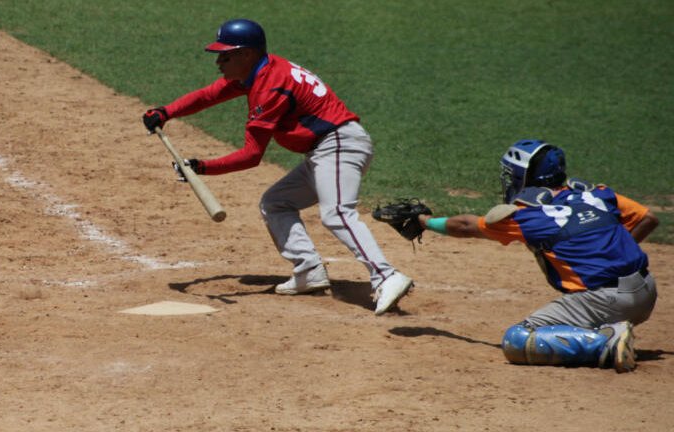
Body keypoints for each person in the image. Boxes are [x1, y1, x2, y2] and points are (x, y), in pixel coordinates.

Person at [142, 18, 413, 315]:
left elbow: (252, 155)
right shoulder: (260, 70)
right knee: (275, 203)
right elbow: (211, 94)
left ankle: (385, 275)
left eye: (225, 56)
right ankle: (308, 269)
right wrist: (165, 112)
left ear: (247, 54)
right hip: (326, 149)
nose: (218, 62)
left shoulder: (271, 87)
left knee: (336, 212)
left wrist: (201, 167)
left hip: (339, 145)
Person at [416, 139, 658, 372]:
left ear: (524, 177)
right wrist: (608, 253)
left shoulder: (530, 216)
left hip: (606, 302)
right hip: (647, 292)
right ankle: (610, 327)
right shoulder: (596, 195)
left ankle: (605, 342)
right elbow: (648, 218)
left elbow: (466, 226)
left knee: (518, 339)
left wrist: (425, 221)